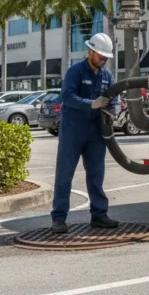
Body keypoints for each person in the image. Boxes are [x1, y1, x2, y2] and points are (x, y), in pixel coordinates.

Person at [50, 32, 121, 233]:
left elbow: (113, 98)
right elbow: (67, 96)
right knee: (64, 174)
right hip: (73, 130)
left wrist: (113, 109)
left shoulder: (107, 75)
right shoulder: (76, 71)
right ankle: (59, 218)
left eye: (106, 57)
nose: (103, 60)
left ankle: (99, 215)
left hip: (97, 132)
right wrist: (92, 104)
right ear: (90, 51)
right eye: (100, 56)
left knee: (96, 174)